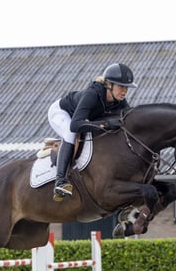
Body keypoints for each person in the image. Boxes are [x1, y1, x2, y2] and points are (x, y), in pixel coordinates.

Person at [47, 63, 138, 201]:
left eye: (126, 87)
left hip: (80, 117)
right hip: (62, 113)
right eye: (121, 86)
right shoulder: (92, 94)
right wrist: (107, 125)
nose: (124, 91)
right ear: (109, 84)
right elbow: (75, 125)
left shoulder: (119, 101)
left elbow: (128, 119)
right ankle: (60, 181)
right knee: (70, 134)